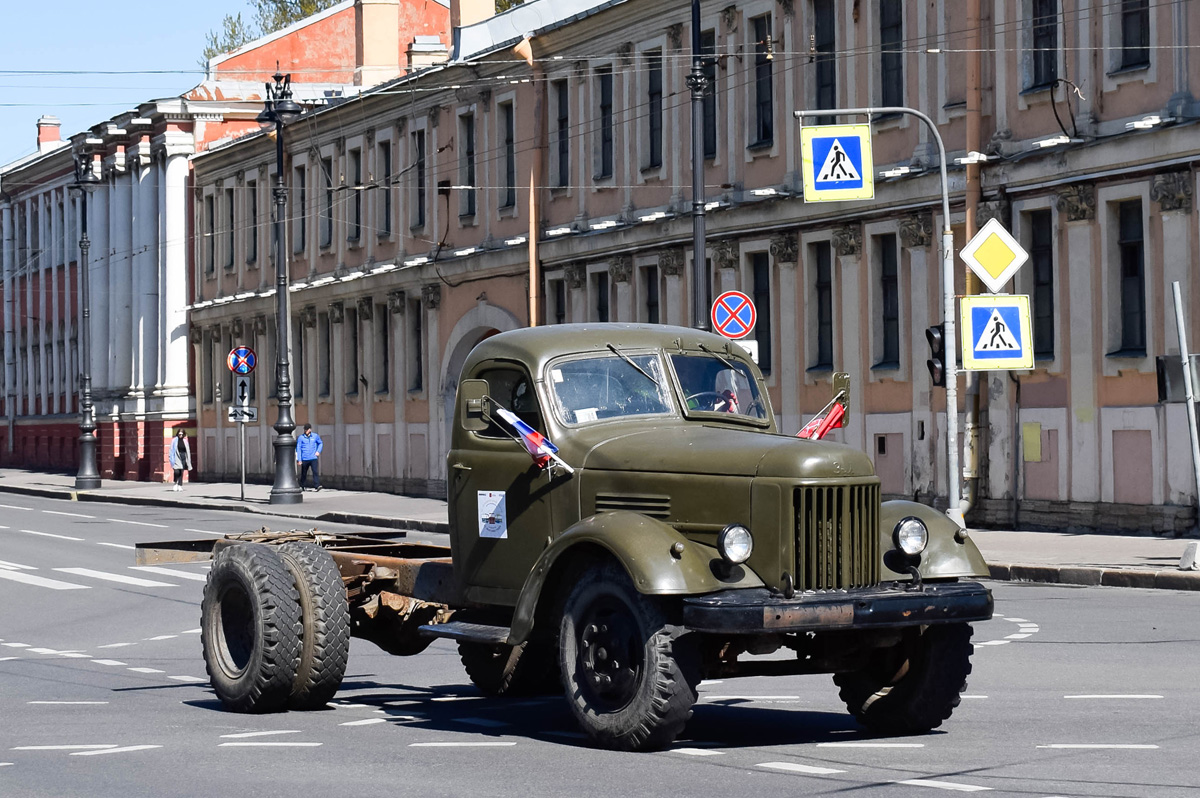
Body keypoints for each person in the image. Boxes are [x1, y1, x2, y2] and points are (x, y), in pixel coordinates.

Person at [296, 423, 324, 491]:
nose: (306, 431)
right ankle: (302, 485)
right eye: (305, 429)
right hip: (304, 458)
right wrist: (299, 459)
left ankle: (317, 485)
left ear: (310, 429)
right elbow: (298, 449)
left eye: (307, 429)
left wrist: (318, 451)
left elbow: (320, 443)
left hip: (313, 457)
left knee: (315, 471)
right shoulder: (301, 437)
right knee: (304, 473)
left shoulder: (315, 436)